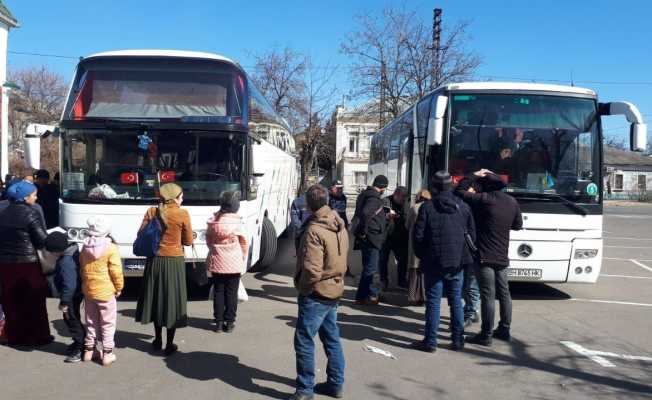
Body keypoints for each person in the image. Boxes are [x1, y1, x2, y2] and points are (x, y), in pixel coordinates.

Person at [290, 184, 348, 400]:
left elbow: (312, 269)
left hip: (317, 292)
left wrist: (304, 289)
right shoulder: (338, 223)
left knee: (304, 339)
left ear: (309, 204)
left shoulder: (315, 229)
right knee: (331, 337)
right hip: (334, 287)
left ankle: (305, 389)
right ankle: (335, 384)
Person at [456, 170, 523, 346]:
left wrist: (473, 175)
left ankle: (486, 335)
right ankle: (504, 329)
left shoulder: (485, 199)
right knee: (505, 293)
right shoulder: (512, 202)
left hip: (484, 255)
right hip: (502, 255)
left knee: (487, 295)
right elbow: (517, 225)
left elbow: (460, 190)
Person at [412, 171, 476, 352]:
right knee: (456, 300)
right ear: (451, 186)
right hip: (457, 263)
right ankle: (458, 340)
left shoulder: (427, 208)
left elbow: (418, 238)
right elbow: (472, 235)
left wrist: (423, 257)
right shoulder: (463, 207)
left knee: (433, 302)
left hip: (433, 262)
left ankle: (430, 342)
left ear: (433, 187)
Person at [135, 183, 193, 356]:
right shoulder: (182, 214)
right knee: (171, 302)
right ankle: (169, 344)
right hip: (173, 261)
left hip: (154, 261)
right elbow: (188, 241)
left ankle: (157, 339)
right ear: (174, 198)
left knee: (156, 299)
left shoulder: (152, 212)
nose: (182, 199)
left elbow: (140, 234)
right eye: (181, 196)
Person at [0, 180, 53, 346]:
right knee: (34, 301)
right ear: (24, 197)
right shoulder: (31, 213)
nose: (36, 197)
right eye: (33, 194)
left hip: (5, 264)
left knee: (11, 301)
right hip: (28, 263)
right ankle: (39, 336)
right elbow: (41, 240)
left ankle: (15, 336)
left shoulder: (3, 212)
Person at [79, 217, 123, 366]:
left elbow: (81, 267)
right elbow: (116, 271)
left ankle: (89, 351)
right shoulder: (111, 248)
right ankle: (107, 353)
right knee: (107, 323)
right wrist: (118, 287)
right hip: (105, 291)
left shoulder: (84, 246)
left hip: (89, 289)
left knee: (90, 321)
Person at [206, 191, 248, 333]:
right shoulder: (237, 222)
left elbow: (209, 241)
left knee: (218, 292)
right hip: (234, 262)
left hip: (217, 261)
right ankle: (229, 322)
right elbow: (244, 244)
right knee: (231, 293)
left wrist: (215, 250)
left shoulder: (214, 221)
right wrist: (242, 257)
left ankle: (218, 323)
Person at [47, 232, 85, 363]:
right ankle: (79, 343)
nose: (51, 254)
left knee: (72, 320)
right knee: (73, 318)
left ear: (57, 250)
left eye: (51, 251)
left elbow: (70, 284)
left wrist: (64, 301)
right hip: (74, 294)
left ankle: (81, 347)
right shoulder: (72, 252)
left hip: (70, 296)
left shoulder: (66, 262)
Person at [352, 175, 388, 305]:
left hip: (365, 237)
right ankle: (363, 297)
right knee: (371, 269)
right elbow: (367, 213)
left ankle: (369, 294)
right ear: (383, 187)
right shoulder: (374, 198)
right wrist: (368, 230)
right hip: (371, 237)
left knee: (368, 267)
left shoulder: (364, 195)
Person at [455, 177, 482, 327]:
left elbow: (458, 190)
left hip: (471, 250)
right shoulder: (466, 206)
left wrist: (472, 175)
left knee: (470, 284)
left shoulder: (472, 207)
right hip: (468, 250)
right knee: (467, 284)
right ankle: (471, 310)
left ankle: (471, 312)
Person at [405, 189, 431, 306]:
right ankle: (425, 296)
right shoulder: (432, 207)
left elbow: (407, 225)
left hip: (414, 242)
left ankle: (413, 296)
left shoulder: (414, 208)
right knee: (425, 270)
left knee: (414, 269)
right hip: (428, 244)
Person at [380, 186, 409, 289]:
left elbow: (406, 218)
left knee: (403, 259)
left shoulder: (405, 203)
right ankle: (383, 280)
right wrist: (388, 216)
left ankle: (401, 280)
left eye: (405, 197)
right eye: (402, 197)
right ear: (396, 194)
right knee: (383, 259)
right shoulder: (386, 201)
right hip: (386, 236)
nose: (404, 199)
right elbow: (381, 217)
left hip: (400, 237)